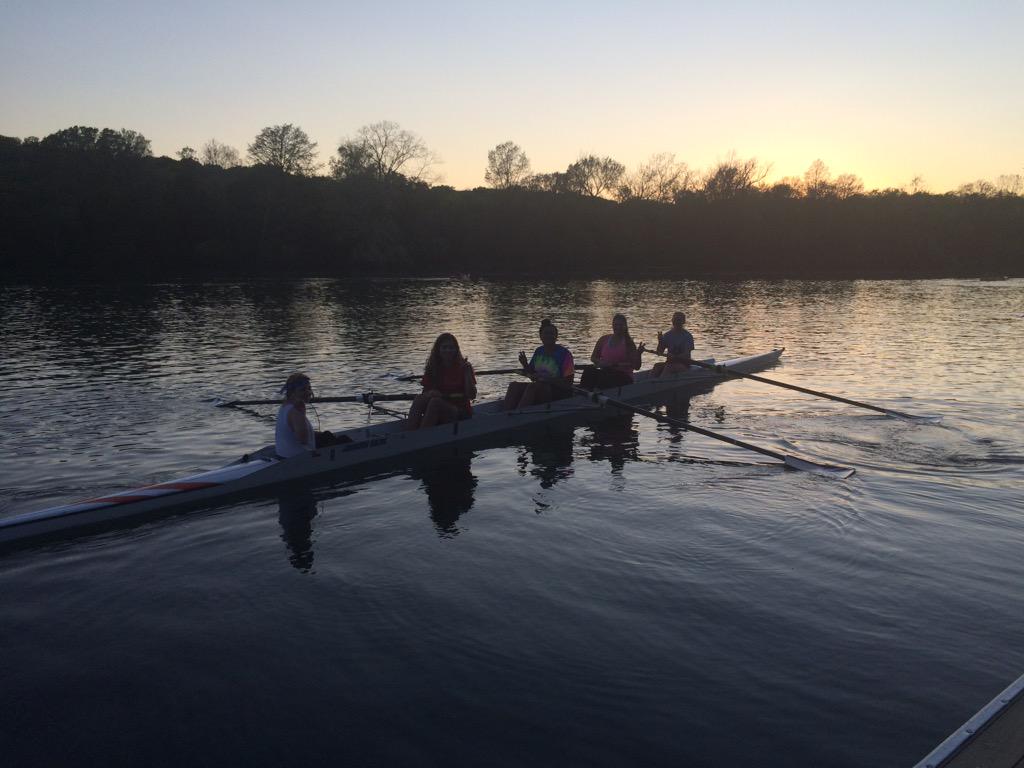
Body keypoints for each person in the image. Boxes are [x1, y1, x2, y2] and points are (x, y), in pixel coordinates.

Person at [407, 333, 477, 430]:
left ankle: (420, 437)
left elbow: (472, 395)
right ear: (438, 350)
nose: (448, 350)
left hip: (461, 411)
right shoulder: (433, 368)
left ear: (456, 350)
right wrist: (430, 393)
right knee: (419, 399)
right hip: (439, 408)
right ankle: (409, 433)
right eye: (444, 347)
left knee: (435, 402)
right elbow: (425, 393)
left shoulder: (465, 367)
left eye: (451, 347)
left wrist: (467, 374)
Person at [504, 319, 575, 409]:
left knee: (532, 387)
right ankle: (505, 413)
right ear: (541, 336)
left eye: (551, 333)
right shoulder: (539, 351)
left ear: (556, 336)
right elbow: (532, 374)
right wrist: (525, 364)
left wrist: (545, 379)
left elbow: (568, 383)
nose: (548, 336)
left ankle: (519, 415)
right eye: (546, 333)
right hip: (539, 388)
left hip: (557, 391)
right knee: (513, 385)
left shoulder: (565, 354)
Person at [275, 373, 344, 458]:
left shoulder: (285, 406)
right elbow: (304, 440)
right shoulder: (295, 413)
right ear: (292, 392)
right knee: (343, 440)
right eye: (303, 390)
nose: (308, 392)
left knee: (327, 435)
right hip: (299, 458)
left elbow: (298, 433)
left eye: (309, 388)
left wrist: (323, 435)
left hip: (285, 454)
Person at [580, 313, 645, 389]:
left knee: (605, 375)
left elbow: (636, 367)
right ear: (612, 325)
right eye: (616, 325)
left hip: (624, 377)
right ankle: (582, 393)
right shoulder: (603, 339)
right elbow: (593, 358)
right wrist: (600, 362)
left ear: (625, 327)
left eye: (621, 325)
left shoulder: (629, 344)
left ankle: (595, 393)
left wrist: (639, 354)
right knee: (589, 370)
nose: (618, 327)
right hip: (606, 373)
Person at [652, 311, 695, 377]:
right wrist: (660, 341)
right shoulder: (667, 335)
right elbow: (659, 352)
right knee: (656, 366)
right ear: (672, 321)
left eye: (679, 320)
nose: (676, 322)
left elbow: (686, 354)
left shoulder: (688, 336)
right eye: (675, 320)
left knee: (669, 367)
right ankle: (649, 383)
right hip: (670, 363)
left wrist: (675, 357)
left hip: (684, 364)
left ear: (683, 322)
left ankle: (659, 383)